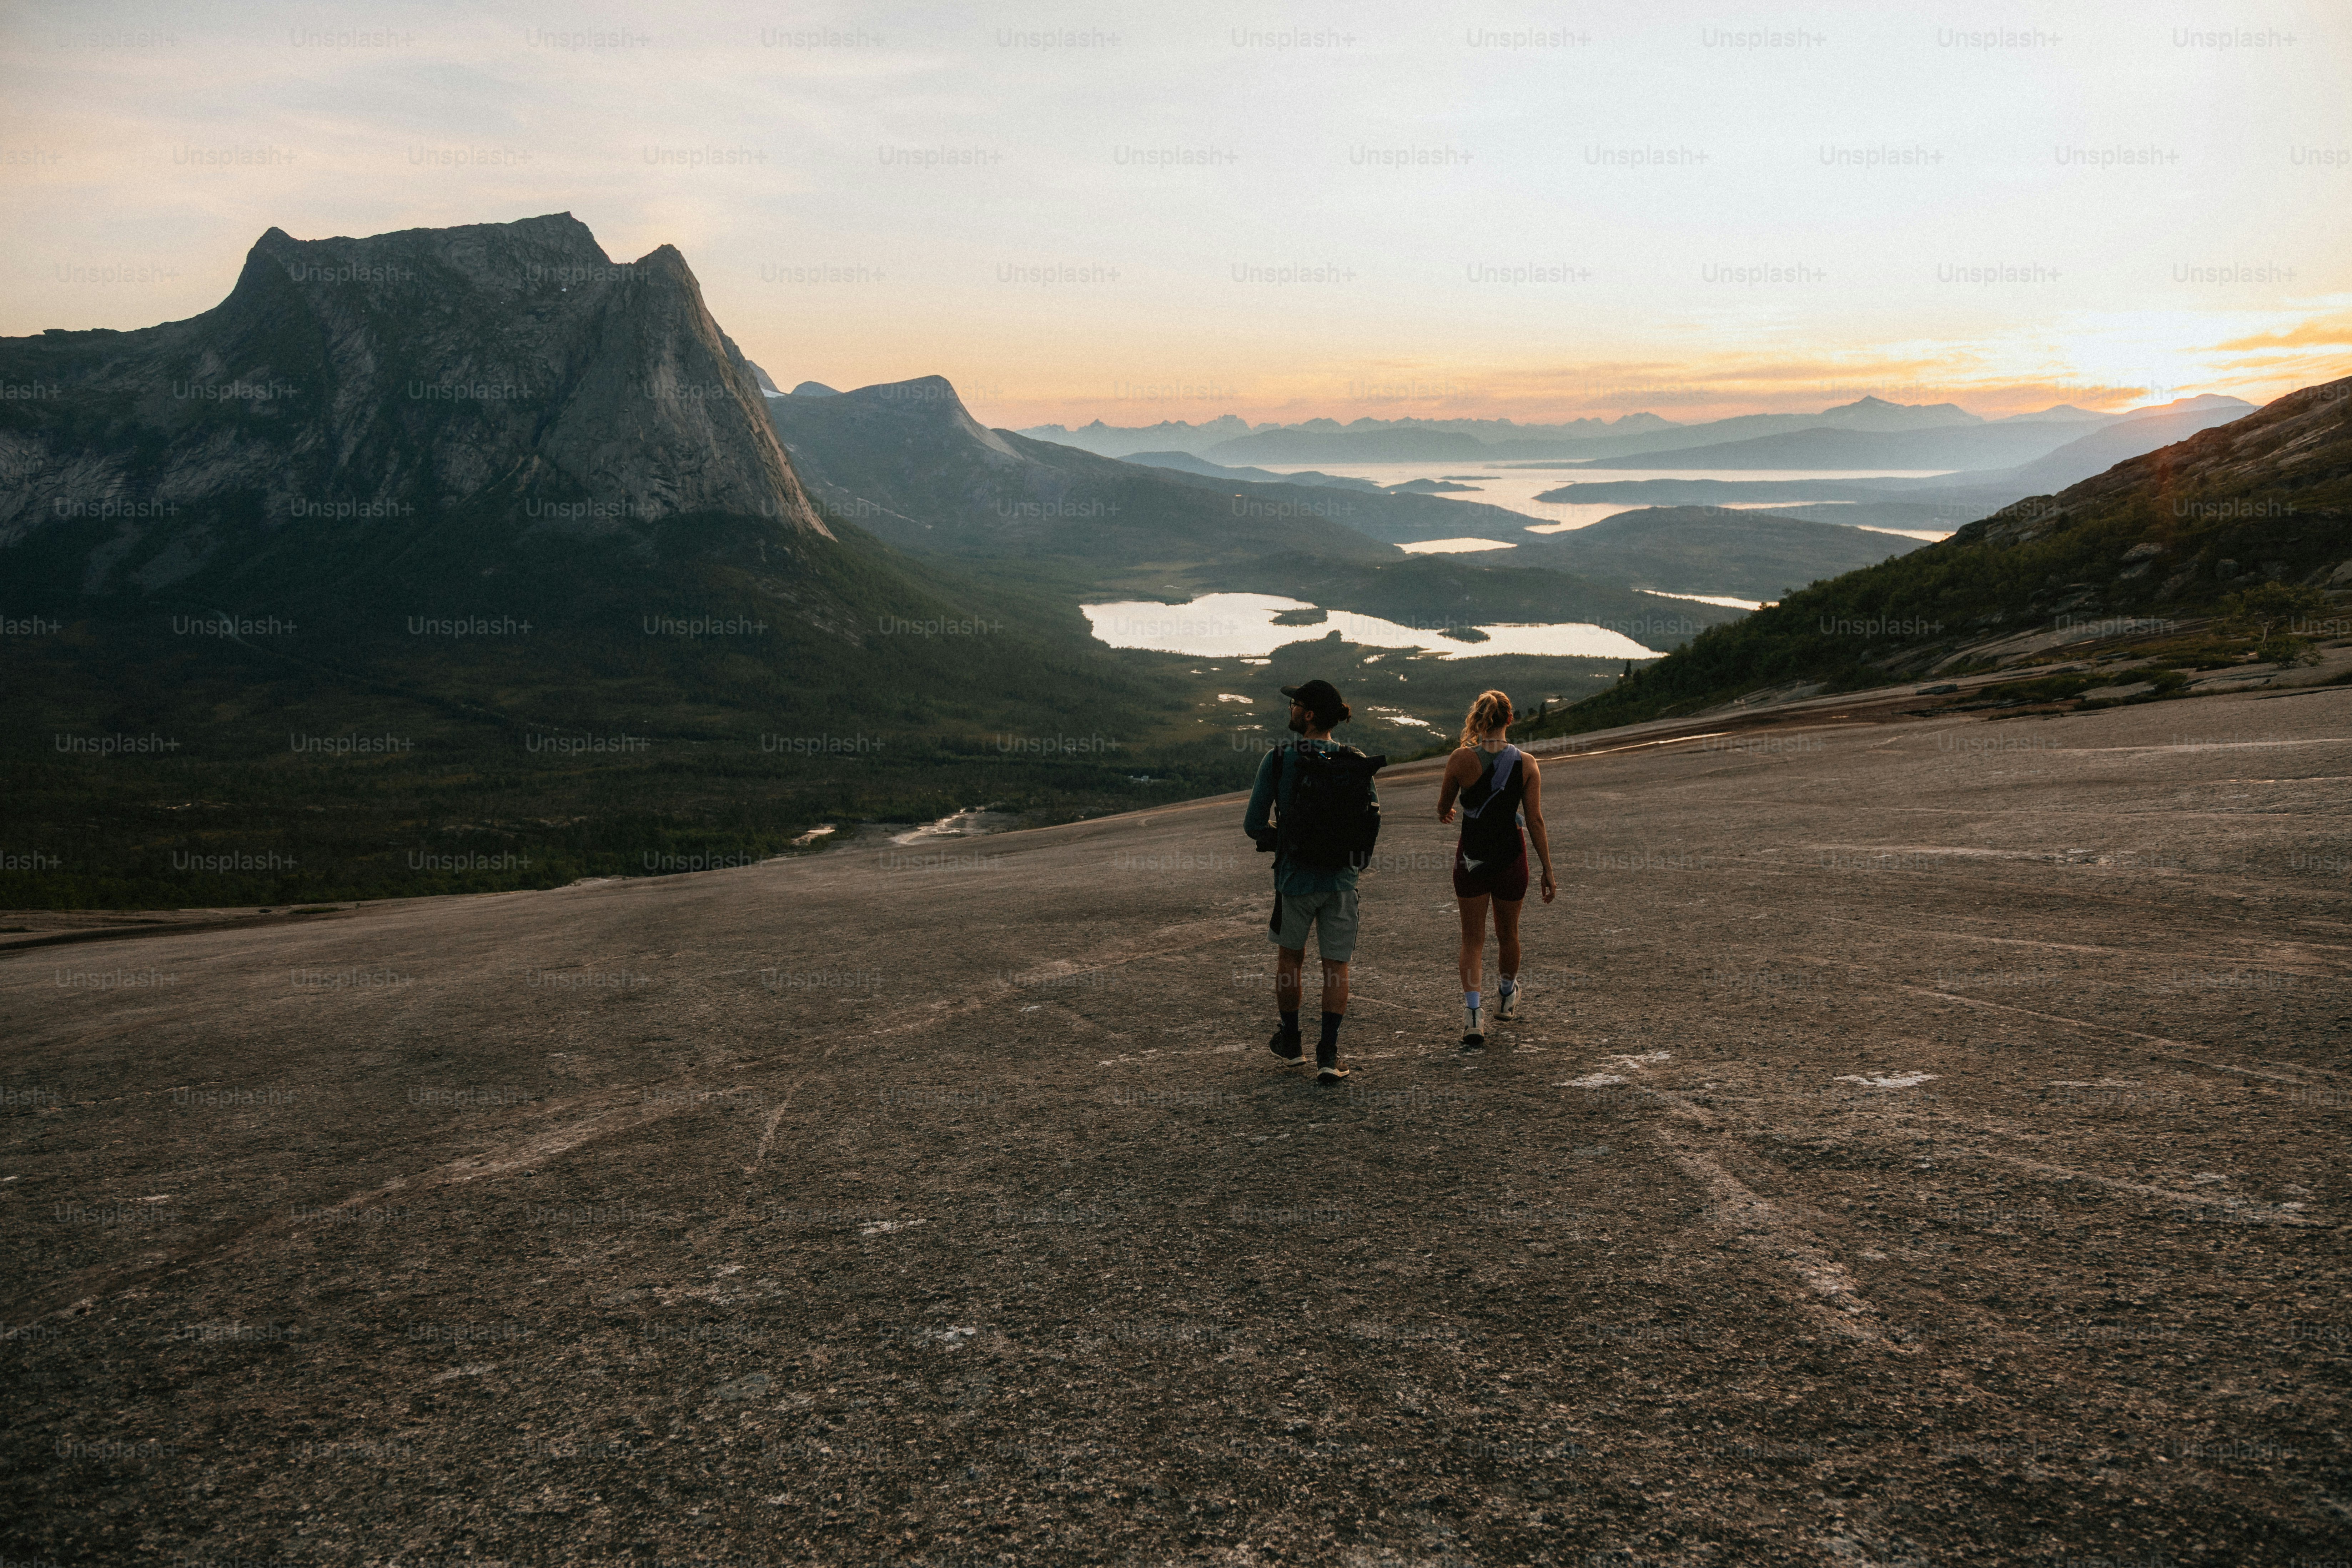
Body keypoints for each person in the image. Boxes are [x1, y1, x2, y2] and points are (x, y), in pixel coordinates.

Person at [1242, 679, 1376, 1085]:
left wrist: (1281, 841)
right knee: (1336, 968)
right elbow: (1368, 822)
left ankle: (1292, 1042)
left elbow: (1252, 825)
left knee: (1290, 961)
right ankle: (1329, 1055)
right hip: (1341, 881)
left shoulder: (1280, 759)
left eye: (1296, 705)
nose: (1291, 710)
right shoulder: (1356, 760)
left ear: (1310, 715)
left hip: (1295, 880)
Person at [1437, 689, 1555, 1051]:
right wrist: (1548, 869)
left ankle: (1473, 1016)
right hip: (1510, 858)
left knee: (1472, 939)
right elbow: (1534, 821)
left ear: (1479, 719)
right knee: (1509, 934)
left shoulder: (1459, 759)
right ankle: (1506, 996)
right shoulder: (1528, 763)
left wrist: (1449, 813)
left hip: (1471, 857)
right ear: (1510, 719)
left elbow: (1443, 807)